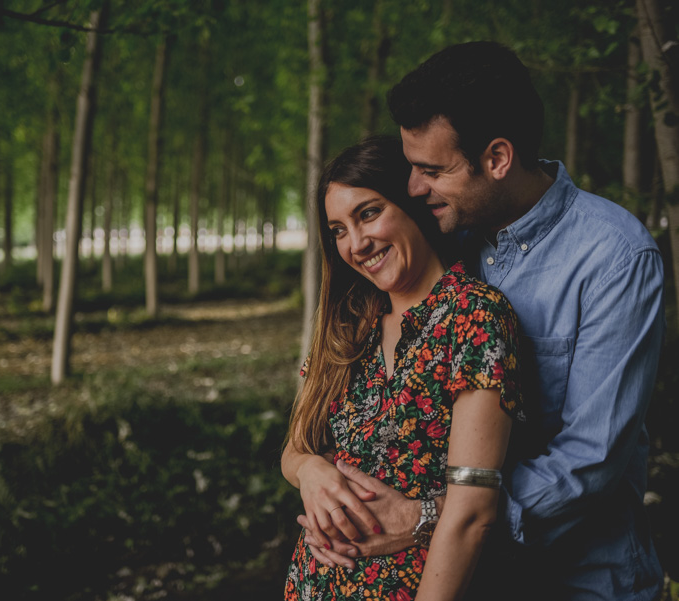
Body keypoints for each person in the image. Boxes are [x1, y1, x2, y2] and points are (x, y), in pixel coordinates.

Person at [293, 42, 666, 600]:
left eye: (431, 170)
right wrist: (318, 479)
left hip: (579, 580)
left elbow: (591, 462)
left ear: (496, 158)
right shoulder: (445, 240)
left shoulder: (614, 256)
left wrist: (428, 518)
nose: (414, 187)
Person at [282, 135, 523, 600]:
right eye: (337, 230)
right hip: (312, 586)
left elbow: (473, 515)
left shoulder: (473, 316)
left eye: (369, 213)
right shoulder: (349, 326)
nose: (356, 243)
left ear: (412, 202)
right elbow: (294, 448)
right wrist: (311, 471)